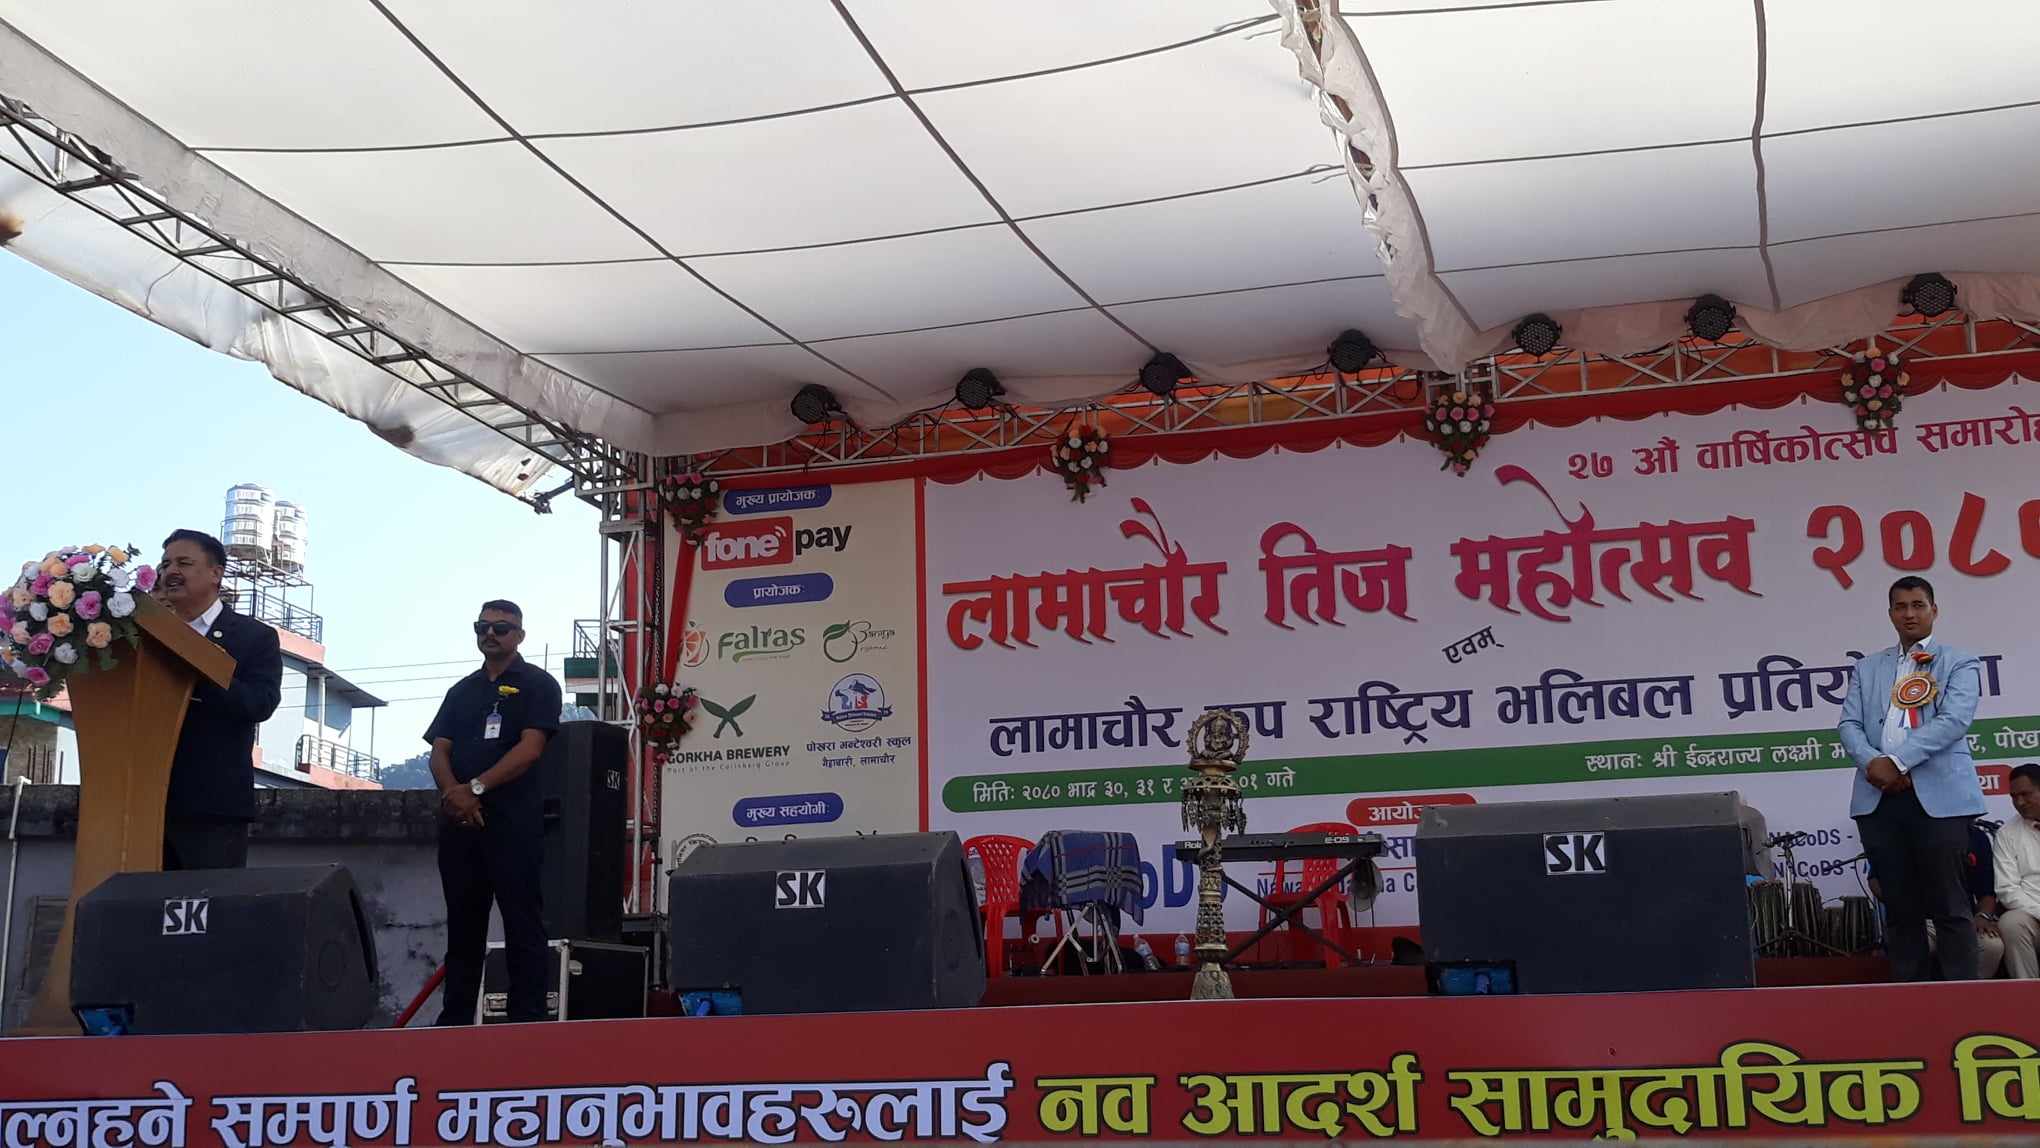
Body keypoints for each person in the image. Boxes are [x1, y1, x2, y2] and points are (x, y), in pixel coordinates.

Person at [1837, 575, 1987, 982]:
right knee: (1900, 909)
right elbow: (1849, 725)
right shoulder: (1867, 667)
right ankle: (1911, 999)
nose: (1909, 614)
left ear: (1934, 611)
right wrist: (1875, 765)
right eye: (1901, 606)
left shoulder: (1960, 662)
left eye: (1918, 605)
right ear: (1890, 614)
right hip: (1879, 797)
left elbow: (1953, 721)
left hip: (1940, 800)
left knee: (1950, 904)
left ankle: (1962, 999)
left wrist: (1898, 762)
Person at [425, 600, 561, 1024]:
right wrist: (454, 794)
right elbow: (439, 750)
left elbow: (530, 749)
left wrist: (476, 789)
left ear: (519, 636)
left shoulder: (538, 684)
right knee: (463, 928)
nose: (490, 634)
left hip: (513, 823)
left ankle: (527, 1022)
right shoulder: (462, 691)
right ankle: (455, 1022)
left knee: (522, 923)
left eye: (501, 628)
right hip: (461, 825)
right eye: (482, 626)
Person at [156, 529, 283, 870]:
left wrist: (199, 664)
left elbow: (260, 703)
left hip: (213, 808)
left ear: (216, 573)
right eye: (166, 564)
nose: (171, 571)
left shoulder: (254, 637)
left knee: (206, 902)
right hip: (141, 801)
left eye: (184, 563)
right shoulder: (142, 634)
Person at [1867, 817, 2002, 978]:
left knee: (1992, 946)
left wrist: (1983, 916)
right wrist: (1901, 905)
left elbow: (1986, 891)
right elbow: (1875, 881)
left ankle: (1966, 992)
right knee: (1912, 946)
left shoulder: (1975, 836)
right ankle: (1922, 993)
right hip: (1919, 921)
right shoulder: (1898, 834)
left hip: (1963, 920)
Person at [1992, 763, 2040, 978]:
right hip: (2033, 916)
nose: (2019, 802)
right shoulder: (2007, 833)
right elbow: (2007, 889)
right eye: (2013, 796)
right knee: (2011, 923)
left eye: (2025, 794)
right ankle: (2028, 994)